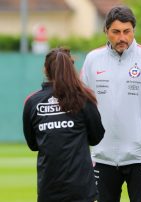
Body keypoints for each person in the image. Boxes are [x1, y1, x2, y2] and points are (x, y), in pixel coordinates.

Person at [80, 6, 141, 202]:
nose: (122, 38)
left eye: (127, 31)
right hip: (103, 157)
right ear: (106, 31)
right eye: (116, 32)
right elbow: (82, 104)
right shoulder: (93, 59)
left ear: (133, 30)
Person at [23, 48, 105, 202]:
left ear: (45, 69)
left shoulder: (32, 101)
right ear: (71, 68)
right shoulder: (84, 98)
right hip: (81, 188)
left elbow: (33, 144)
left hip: (48, 187)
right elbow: (96, 137)